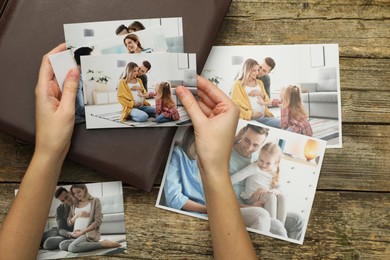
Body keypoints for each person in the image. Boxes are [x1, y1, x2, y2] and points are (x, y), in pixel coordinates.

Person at [0, 44, 257, 259]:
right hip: (77, 228)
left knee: (148, 113)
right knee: (57, 242)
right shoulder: (123, 84)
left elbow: (146, 99)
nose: (138, 72)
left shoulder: (93, 203)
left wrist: (49, 153)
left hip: (84, 227)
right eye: (135, 69)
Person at [230, 123, 305, 240]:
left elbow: (276, 185)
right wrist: (251, 205)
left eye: (255, 145)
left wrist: (273, 191)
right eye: (247, 140)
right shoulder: (228, 153)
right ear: (242, 133)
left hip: (261, 204)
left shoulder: (260, 158)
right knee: (276, 224)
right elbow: (225, 184)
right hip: (241, 205)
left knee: (298, 219)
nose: (249, 148)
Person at [231, 142, 287, 225]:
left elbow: (280, 189)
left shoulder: (274, 172)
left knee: (282, 197)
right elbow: (236, 177)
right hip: (252, 199)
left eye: (268, 163)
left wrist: (274, 191)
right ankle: (272, 227)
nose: (263, 165)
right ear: (259, 155)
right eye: (261, 160)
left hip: (266, 199)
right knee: (270, 196)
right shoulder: (254, 167)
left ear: (276, 163)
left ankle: (280, 226)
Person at [58, 184, 120, 253]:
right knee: (62, 245)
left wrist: (82, 232)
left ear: (84, 189)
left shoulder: (95, 201)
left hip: (87, 234)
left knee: (72, 248)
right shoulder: (74, 204)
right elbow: (69, 222)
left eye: (78, 192)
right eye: (74, 193)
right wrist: (77, 215)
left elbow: (98, 221)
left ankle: (102, 244)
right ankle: (84, 243)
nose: (77, 195)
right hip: (76, 234)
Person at [231, 58, 281, 129]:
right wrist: (251, 115)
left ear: (268, 73)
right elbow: (234, 103)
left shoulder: (262, 81)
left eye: (264, 71)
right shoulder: (238, 83)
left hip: (264, 117)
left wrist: (261, 94)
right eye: (259, 68)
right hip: (250, 118)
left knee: (286, 124)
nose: (258, 72)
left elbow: (267, 100)